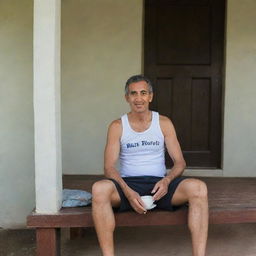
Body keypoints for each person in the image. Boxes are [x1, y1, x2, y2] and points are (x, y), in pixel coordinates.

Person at [92, 75, 208, 256]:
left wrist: (167, 180)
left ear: (150, 96)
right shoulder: (117, 126)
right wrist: (128, 192)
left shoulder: (163, 123)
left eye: (143, 93)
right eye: (134, 94)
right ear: (127, 98)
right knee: (99, 189)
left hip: (159, 186)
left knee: (199, 188)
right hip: (128, 185)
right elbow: (109, 168)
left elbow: (179, 163)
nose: (139, 98)